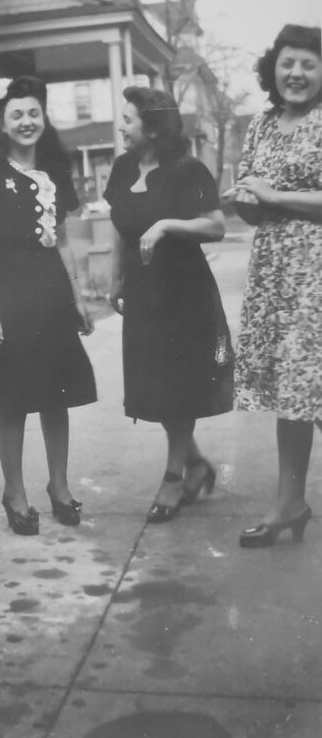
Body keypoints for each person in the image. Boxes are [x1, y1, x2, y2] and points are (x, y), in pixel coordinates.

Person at [0, 75, 96, 535]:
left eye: (33, 112)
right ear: (2, 121)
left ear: (44, 116)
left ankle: (58, 486)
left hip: (50, 294)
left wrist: (77, 297)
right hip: (7, 292)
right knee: (13, 399)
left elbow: (61, 241)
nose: (26, 121)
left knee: (56, 396)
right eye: (16, 114)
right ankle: (14, 491)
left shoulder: (56, 171)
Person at [105, 87, 233, 524]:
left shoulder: (186, 170)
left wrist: (166, 225)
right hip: (143, 293)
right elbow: (118, 227)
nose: (120, 126)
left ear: (153, 126)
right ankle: (195, 462)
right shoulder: (122, 168)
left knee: (176, 386)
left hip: (182, 293)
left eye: (127, 119)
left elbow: (215, 226)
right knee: (155, 387)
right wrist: (117, 276)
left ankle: (175, 477)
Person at [226, 24, 322, 548]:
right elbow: (253, 198)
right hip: (274, 273)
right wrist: (244, 197)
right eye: (289, 62)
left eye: (309, 63)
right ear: (273, 66)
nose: (297, 73)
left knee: (314, 390)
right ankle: (289, 505)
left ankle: (291, 505)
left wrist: (274, 193)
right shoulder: (260, 125)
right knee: (292, 391)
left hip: (315, 273)